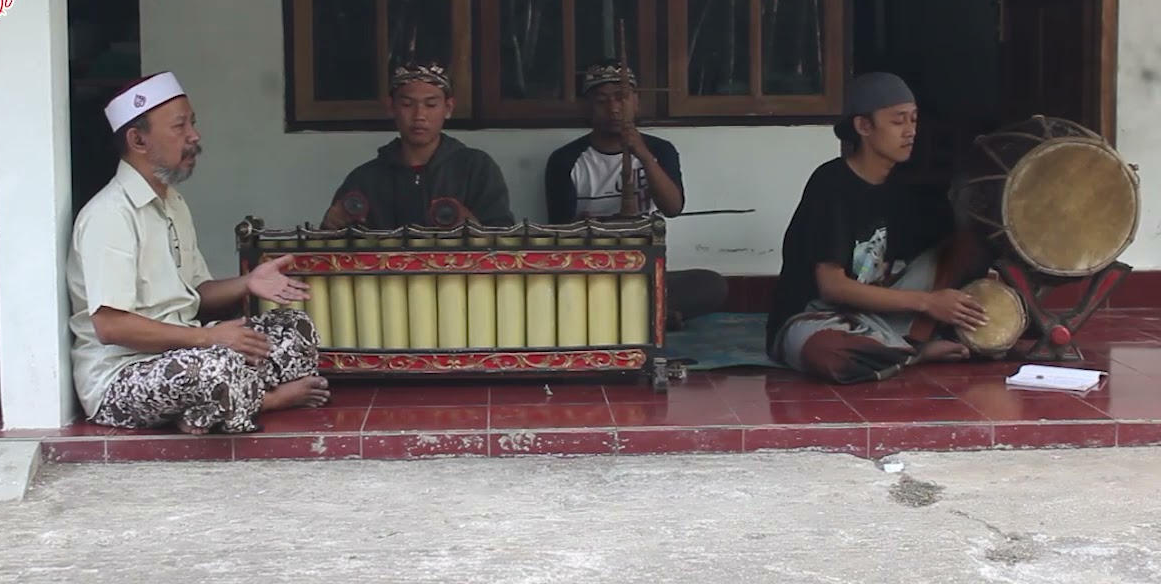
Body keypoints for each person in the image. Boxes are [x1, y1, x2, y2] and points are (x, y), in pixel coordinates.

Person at [67, 71, 330, 435]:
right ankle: (266, 400)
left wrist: (248, 283)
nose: (194, 135)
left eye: (192, 122)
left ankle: (207, 409)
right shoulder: (110, 215)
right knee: (218, 365)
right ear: (138, 139)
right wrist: (208, 338)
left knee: (293, 329)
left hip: (186, 352)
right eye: (180, 126)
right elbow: (110, 326)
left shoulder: (173, 202)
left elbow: (197, 293)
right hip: (123, 378)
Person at [765, 72, 993, 384]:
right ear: (863, 127)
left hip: (877, 310)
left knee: (969, 245)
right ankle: (915, 352)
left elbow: (918, 262)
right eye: (898, 121)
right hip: (819, 318)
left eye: (913, 120)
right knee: (832, 355)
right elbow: (833, 287)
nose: (910, 131)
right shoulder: (831, 184)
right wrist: (928, 303)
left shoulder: (898, 186)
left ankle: (898, 347)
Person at [544, 59, 727, 327]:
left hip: (645, 271)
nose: (614, 108)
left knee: (712, 285)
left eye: (621, 98)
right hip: (591, 274)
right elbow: (558, 233)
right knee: (555, 291)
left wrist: (641, 152)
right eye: (602, 100)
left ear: (636, 101)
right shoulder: (566, 160)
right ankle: (649, 316)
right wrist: (610, 227)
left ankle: (628, 315)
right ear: (589, 107)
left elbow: (673, 208)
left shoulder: (660, 150)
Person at [320, 59, 514, 230]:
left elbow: (503, 243)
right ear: (391, 107)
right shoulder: (365, 179)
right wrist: (331, 225)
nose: (419, 115)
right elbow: (333, 252)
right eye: (407, 104)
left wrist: (471, 226)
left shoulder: (476, 168)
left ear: (448, 108)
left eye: (431, 105)